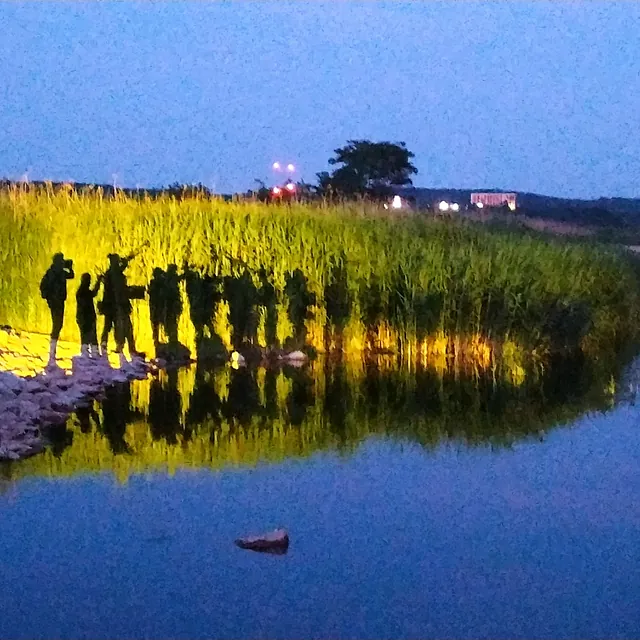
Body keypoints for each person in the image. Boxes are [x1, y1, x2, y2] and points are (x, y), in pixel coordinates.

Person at [40, 253, 74, 366]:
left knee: (58, 325)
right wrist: (48, 297)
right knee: (57, 325)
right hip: (55, 302)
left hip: (59, 301)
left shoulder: (59, 272)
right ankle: (52, 352)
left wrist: (70, 268)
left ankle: (53, 350)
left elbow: (71, 276)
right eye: (61, 261)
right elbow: (43, 285)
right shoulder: (52, 273)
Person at [76, 272, 103, 357]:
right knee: (91, 334)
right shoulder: (83, 292)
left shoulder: (81, 291)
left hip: (82, 317)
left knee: (84, 335)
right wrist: (99, 281)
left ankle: (85, 352)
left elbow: (93, 293)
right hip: (87, 317)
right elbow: (93, 293)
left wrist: (98, 281)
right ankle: (93, 352)